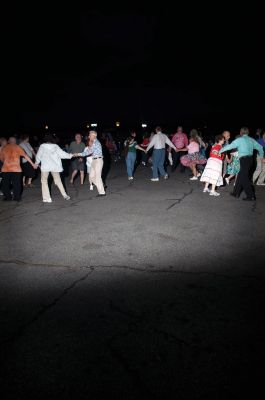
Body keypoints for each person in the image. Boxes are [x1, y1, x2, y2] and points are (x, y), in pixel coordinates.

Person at [219, 127, 264, 200]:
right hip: (250, 160)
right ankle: (235, 193)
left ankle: (251, 196)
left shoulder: (239, 140)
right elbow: (260, 148)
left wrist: (219, 151)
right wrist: (261, 157)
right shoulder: (251, 140)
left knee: (244, 177)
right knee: (240, 175)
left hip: (244, 160)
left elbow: (229, 146)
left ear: (241, 133)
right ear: (248, 133)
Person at [35, 134, 73, 203]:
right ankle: (65, 195)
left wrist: (36, 163)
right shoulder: (55, 146)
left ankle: (47, 198)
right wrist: (70, 155)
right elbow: (62, 154)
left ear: (45, 140)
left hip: (45, 166)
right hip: (54, 166)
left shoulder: (42, 146)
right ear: (52, 139)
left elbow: (38, 156)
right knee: (58, 181)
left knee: (44, 181)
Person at [0, 137, 37, 202]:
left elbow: (1, 158)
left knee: (5, 184)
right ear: (15, 141)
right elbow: (26, 156)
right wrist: (33, 164)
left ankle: (8, 197)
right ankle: (17, 198)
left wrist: (5, 162)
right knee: (16, 184)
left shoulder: (4, 148)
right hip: (16, 169)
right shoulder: (18, 147)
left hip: (6, 169)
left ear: (9, 141)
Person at [75, 130, 106, 196]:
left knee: (98, 177)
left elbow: (89, 152)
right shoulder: (93, 142)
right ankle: (101, 186)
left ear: (94, 136)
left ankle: (102, 192)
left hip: (98, 160)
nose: (89, 136)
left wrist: (78, 154)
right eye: (89, 135)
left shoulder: (96, 143)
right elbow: (89, 151)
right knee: (91, 177)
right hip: (94, 161)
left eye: (90, 135)